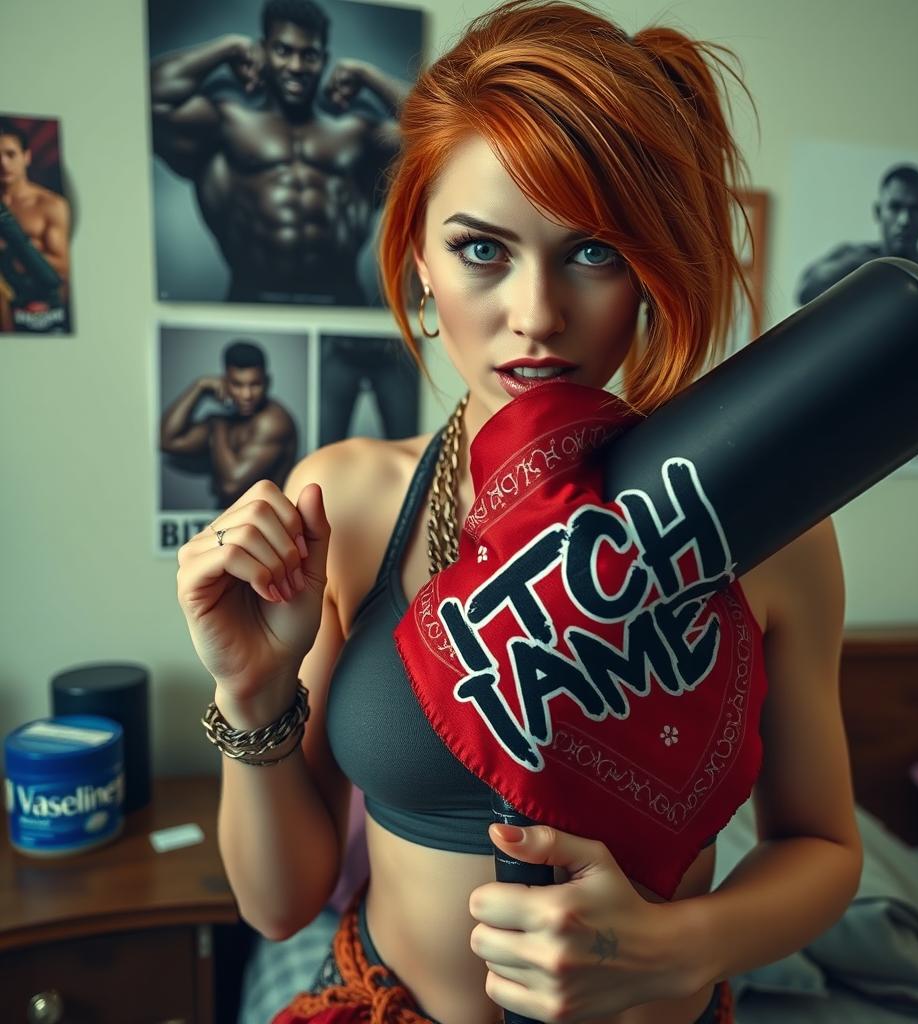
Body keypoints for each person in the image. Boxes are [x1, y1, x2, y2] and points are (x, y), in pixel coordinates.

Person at [175, 3, 862, 1022]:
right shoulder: (352, 501)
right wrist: (250, 688)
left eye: (592, 252)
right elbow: (279, 907)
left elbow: (823, 845)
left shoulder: (771, 522)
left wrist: (682, 942)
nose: (535, 314)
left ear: (649, 267)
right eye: (482, 250)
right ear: (416, 255)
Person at [150, 0, 409, 305]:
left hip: (342, 305)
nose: (297, 67)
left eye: (309, 55)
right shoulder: (227, 122)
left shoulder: (356, 131)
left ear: (324, 59)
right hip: (252, 303)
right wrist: (226, 48)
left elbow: (436, 131)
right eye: (284, 51)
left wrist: (367, 74)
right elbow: (149, 98)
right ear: (263, 51)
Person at [795, 164, 918, 340]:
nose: (904, 220)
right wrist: (869, 266)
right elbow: (806, 291)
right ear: (878, 212)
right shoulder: (853, 258)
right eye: (895, 207)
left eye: (914, 209)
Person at [161, 339, 297, 507]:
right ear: (225, 382)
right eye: (237, 384)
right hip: (233, 525)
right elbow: (168, 440)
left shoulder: (273, 422)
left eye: (255, 384)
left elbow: (231, 486)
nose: (247, 395)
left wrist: (218, 426)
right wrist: (199, 387)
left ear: (267, 382)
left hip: (265, 526)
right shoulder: (230, 420)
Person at [0, 119, 71, 332]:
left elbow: (63, 266)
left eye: (10, 154)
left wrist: (10, 250)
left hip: (40, 308)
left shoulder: (50, 205)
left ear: (26, 157)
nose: (3, 163)